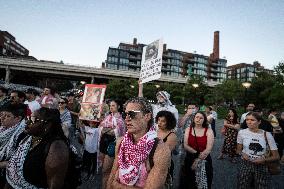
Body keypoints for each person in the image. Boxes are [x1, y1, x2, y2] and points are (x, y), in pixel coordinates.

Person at [107, 97, 171, 189]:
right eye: (125, 115)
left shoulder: (160, 150)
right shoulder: (121, 142)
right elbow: (112, 177)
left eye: (132, 114)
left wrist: (117, 185)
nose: (127, 119)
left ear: (147, 116)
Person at [5, 107, 69, 189]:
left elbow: (54, 185)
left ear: (48, 125)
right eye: (28, 117)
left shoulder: (57, 148)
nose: (27, 122)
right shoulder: (26, 137)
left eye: (33, 119)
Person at [237, 112, 280, 188]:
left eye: (252, 120)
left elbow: (276, 156)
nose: (249, 122)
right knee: (243, 185)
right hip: (246, 164)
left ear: (259, 122)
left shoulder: (267, 135)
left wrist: (264, 160)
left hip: (262, 165)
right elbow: (238, 150)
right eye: (247, 119)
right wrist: (242, 154)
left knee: (261, 186)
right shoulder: (241, 133)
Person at [180, 111, 214, 189]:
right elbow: (185, 145)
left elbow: (209, 148)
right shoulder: (188, 129)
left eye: (201, 118)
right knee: (188, 180)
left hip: (204, 158)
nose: (198, 119)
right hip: (189, 158)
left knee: (202, 181)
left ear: (204, 120)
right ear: (194, 118)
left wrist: (198, 159)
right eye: (197, 117)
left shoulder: (208, 130)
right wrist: (196, 153)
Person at [99, 100, 126, 189]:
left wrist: (106, 129)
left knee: (106, 170)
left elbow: (115, 133)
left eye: (113, 105)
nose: (111, 107)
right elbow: (101, 128)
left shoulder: (121, 120)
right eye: (110, 105)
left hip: (112, 144)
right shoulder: (108, 116)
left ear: (118, 107)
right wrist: (110, 129)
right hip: (103, 142)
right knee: (103, 169)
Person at [0, 103, 26, 188]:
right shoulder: (3, 128)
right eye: (1, 114)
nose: (2, 118)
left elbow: (19, 161)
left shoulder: (22, 134)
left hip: (9, 175)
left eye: (7, 116)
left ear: (18, 118)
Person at [156, 110, 178, 178]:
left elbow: (165, 153)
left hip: (164, 165)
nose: (159, 123)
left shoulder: (172, 136)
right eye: (159, 120)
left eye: (163, 121)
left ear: (169, 122)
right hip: (153, 163)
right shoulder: (155, 131)